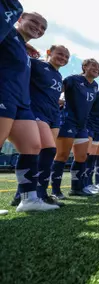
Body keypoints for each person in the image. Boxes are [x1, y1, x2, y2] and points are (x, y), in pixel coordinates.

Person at [0, 11, 55, 214]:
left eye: (43, 27)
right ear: (20, 19)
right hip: (3, 95)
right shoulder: (6, 33)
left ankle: (28, 198)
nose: (38, 28)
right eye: (35, 22)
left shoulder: (23, 47)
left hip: (22, 102)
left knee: (32, 146)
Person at [50, 57, 99, 197]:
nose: (96, 69)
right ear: (84, 67)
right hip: (68, 121)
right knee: (62, 155)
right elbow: (55, 91)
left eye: (98, 68)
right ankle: (55, 191)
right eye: (93, 66)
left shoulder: (95, 85)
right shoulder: (73, 79)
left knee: (82, 156)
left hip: (82, 126)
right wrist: (58, 102)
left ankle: (76, 188)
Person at [27, 45, 70, 207]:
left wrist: (59, 101)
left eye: (66, 57)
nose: (63, 58)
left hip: (54, 115)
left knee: (45, 153)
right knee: (48, 149)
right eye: (60, 54)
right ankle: (41, 193)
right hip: (37, 110)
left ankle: (23, 194)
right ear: (48, 52)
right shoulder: (36, 64)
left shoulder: (58, 76)